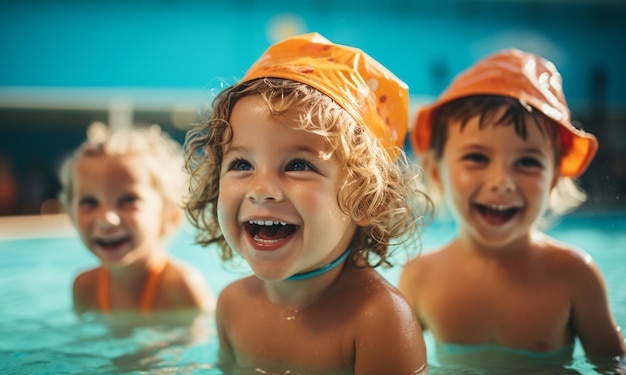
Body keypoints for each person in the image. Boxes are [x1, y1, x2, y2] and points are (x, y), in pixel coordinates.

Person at [184, 32, 431, 374]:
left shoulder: (378, 320)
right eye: (242, 164)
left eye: (298, 166)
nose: (261, 189)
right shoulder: (231, 305)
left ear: (368, 201)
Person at [399, 48, 626, 369]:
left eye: (527, 162)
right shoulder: (421, 276)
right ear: (437, 172)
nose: (501, 181)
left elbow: (612, 363)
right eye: (477, 157)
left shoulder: (574, 276)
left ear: (553, 180)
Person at [58, 123, 215, 315]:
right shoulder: (84, 287)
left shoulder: (181, 286)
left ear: (170, 215)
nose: (106, 219)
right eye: (89, 202)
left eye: (127, 200)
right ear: (70, 213)